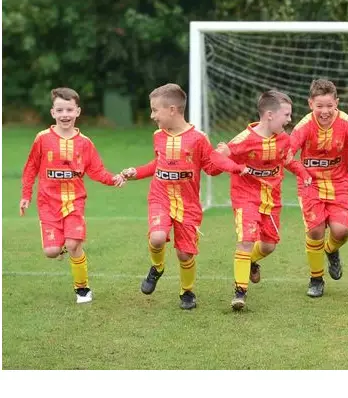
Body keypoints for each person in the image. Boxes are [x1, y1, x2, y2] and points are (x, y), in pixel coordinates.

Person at [121, 83, 245, 310]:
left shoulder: (198, 138)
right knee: (157, 237)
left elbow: (210, 168)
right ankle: (157, 268)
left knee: (185, 254)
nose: (151, 115)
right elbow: (157, 164)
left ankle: (187, 293)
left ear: (172, 109)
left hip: (188, 204)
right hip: (160, 197)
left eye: (154, 110)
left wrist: (227, 161)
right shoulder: (158, 136)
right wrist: (136, 172)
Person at [20, 87, 126, 304]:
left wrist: (113, 179)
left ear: (78, 111)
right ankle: (59, 249)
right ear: (52, 113)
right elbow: (31, 167)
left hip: (74, 202)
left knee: (73, 244)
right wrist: (26, 194)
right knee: (51, 251)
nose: (65, 114)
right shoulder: (42, 139)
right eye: (60, 110)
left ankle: (82, 289)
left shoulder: (85, 143)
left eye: (69, 109)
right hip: (48, 203)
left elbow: (96, 170)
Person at [214, 90, 312, 310]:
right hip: (245, 198)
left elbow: (288, 161)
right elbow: (217, 158)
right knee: (246, 240)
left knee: (268, 246)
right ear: (269, 115)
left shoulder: (284, 140)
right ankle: (240, 292)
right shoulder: (244, 139)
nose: (289, 119)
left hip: (272, 200)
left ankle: (251, 262)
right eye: (286, 115)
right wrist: (237, 167)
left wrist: (304, 174)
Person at [289, 79, 348, 298]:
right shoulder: (304, 126)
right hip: (311, 185)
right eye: (319, 106)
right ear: (310, 104)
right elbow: (287, 155)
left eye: (329, 106)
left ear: (337, 103)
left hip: (338, 185)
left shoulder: (347, 123)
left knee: (341, 231)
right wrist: (302, 172)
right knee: (315, 229)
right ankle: (316, 279)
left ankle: (331, 249)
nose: (325, 111)